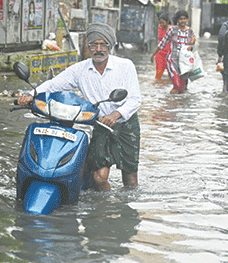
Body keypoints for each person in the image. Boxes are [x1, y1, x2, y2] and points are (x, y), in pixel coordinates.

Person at [18, 23, 142, 191]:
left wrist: (116, 114)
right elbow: (54, 85)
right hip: (100, 124)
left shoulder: (125, 66)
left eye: (103, 44)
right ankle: (103, 208)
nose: (98, 49)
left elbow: (135, 99)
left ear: (109, 46)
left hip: (126, 124)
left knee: (130, 179)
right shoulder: (80, 70)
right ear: (88, 47)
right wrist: (31, 95)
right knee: (99, 179)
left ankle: (126, 211)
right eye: (93, 45)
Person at [150, 10, 196, 94]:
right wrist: (153, 54)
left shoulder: (190, 31)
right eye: (181, 19)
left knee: (182, 89)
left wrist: (191, 45)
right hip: (172, 60)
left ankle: (178, 105)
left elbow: (191, 46)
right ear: (177, 20)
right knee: (177, 86)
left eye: (184, 19)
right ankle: (168, 104)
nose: (183, 21)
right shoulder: (172, 30)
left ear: (187, 20)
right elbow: (162, 43)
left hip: (183, 62)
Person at [151, 12, 171, 79]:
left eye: (163, 22)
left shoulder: (172, 29)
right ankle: (158, 89)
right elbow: (161, 43)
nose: (162, 24)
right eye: (160, 22)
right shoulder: (160, 27)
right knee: (158, 75)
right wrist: (153, 55)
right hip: (160, 54)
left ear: (167, 22)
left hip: (170, 55)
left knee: (172, 76)